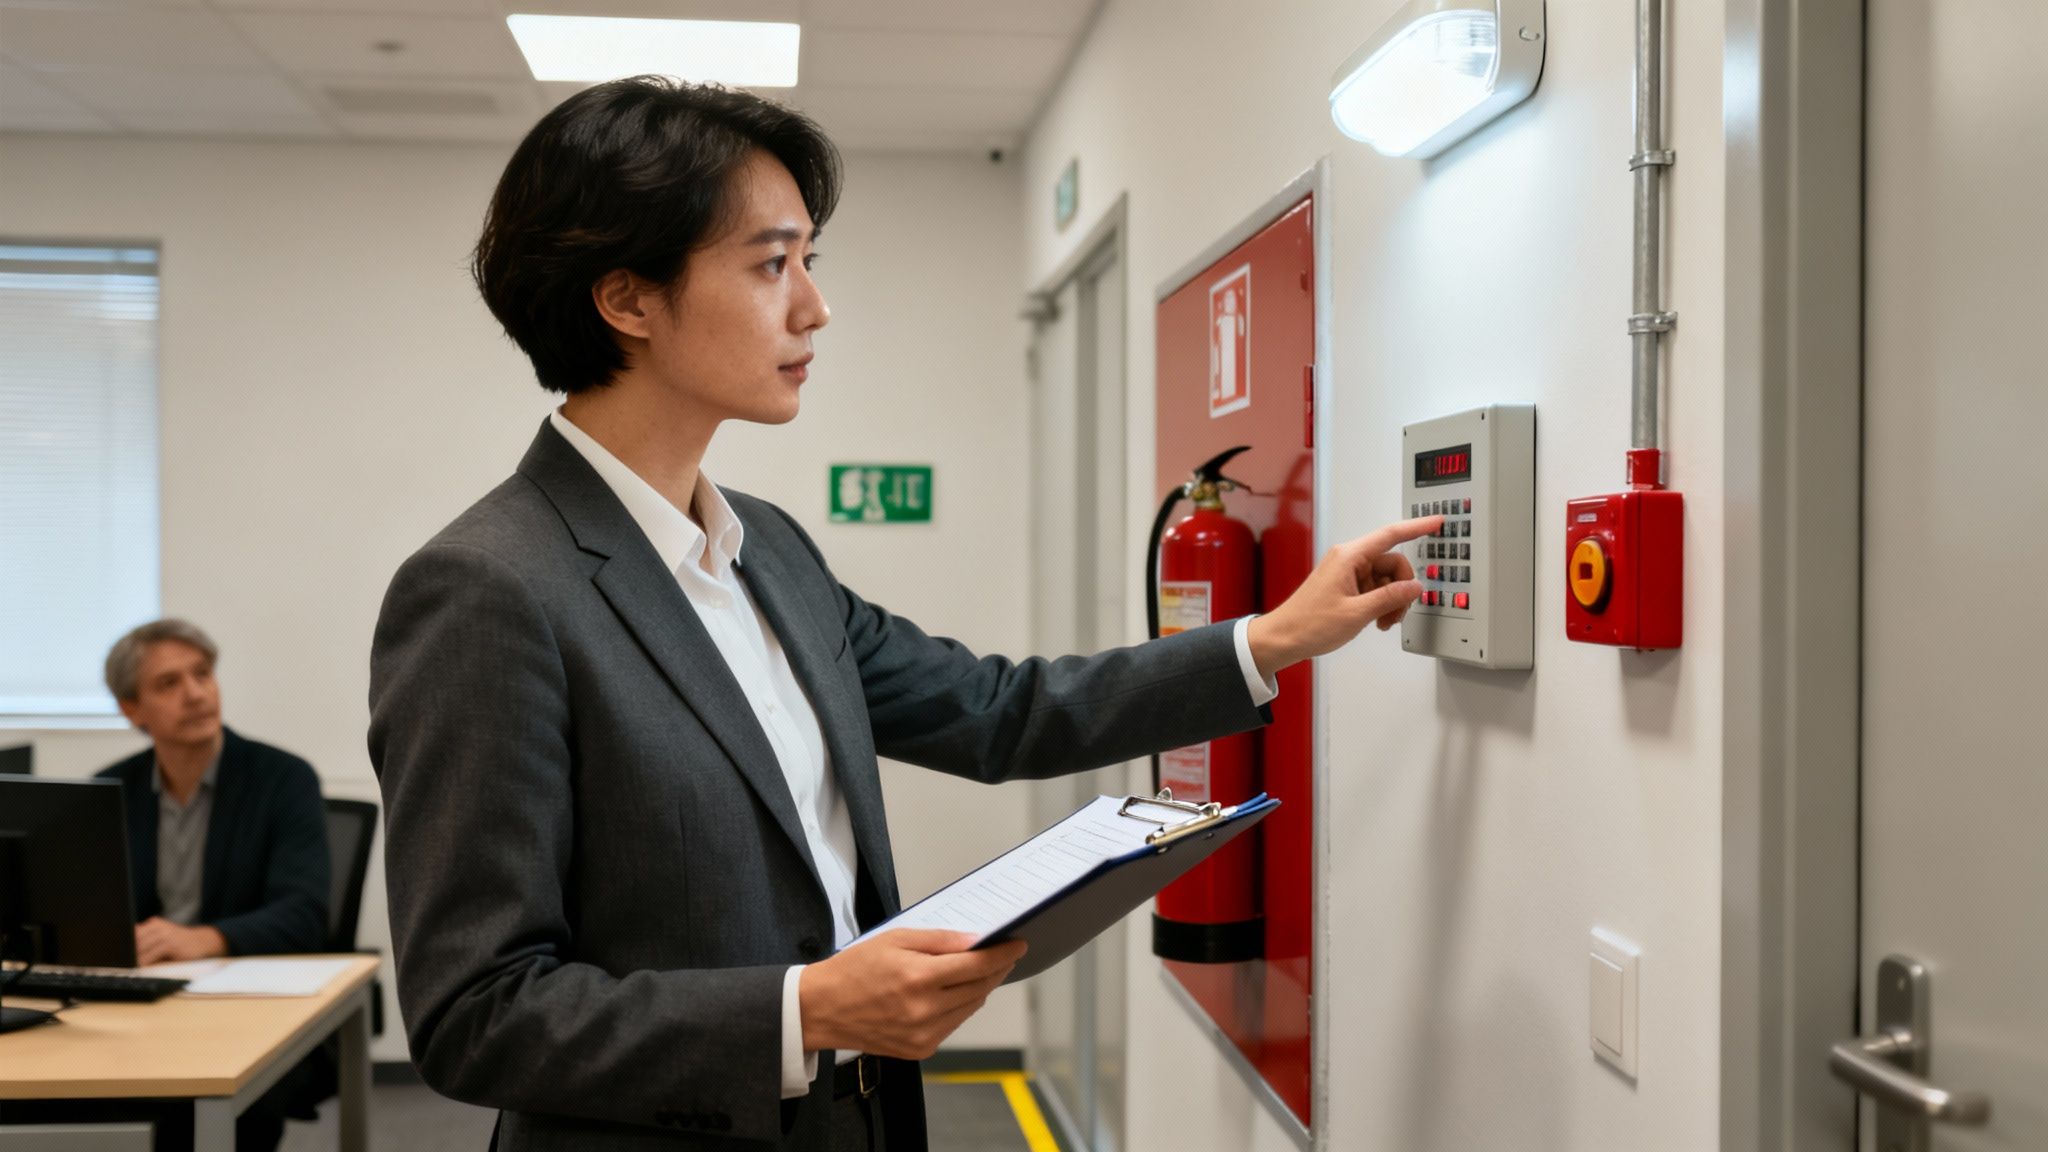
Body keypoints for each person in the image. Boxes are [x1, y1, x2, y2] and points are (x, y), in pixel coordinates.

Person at [368, 76, 1434, 1152]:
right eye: (769, 263)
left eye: (809, 262)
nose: (812, 306)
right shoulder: (489, 589)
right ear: (627, 300)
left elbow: (994, 711)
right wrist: (807, 1010)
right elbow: (476, 1015)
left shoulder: (767, 547)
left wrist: (1274, 639)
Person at [97, 618, 331, 1151]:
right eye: (169, 683)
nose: (196, 693)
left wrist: (202, 938)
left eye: (202, 674)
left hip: (252, 1005)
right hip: (145, 1004)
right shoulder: (111, 790)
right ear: (132, 710)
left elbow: (303, 913)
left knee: (221, 1104)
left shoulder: (283, 779)